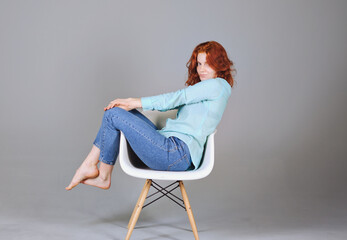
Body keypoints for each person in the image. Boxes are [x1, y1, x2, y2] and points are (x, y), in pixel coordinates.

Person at [66, 41, 235, 190]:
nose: (201, 69)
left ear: (219, 64)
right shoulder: (209, 89)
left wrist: (135, 101)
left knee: (114, 114)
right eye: (199, 64)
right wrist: (134, 106)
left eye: (207, 64)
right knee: (119, 111)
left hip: (175, 153)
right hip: (171, 149)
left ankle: (98, 172)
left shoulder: (218, 85)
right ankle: (97, 171)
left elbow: (176, 98)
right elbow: (171, 105)